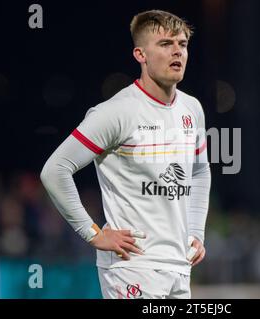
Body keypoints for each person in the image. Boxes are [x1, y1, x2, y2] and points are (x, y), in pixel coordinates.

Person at [40, 9, 211, 299]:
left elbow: (200, 171)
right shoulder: (117, 112)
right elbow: (55, 170)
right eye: (166, 44)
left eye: (182, 44)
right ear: (140, 55)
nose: (177, 52)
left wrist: (196, 232)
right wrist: (93, 233)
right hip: (132, 266)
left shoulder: (191, 109)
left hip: (179, 266)